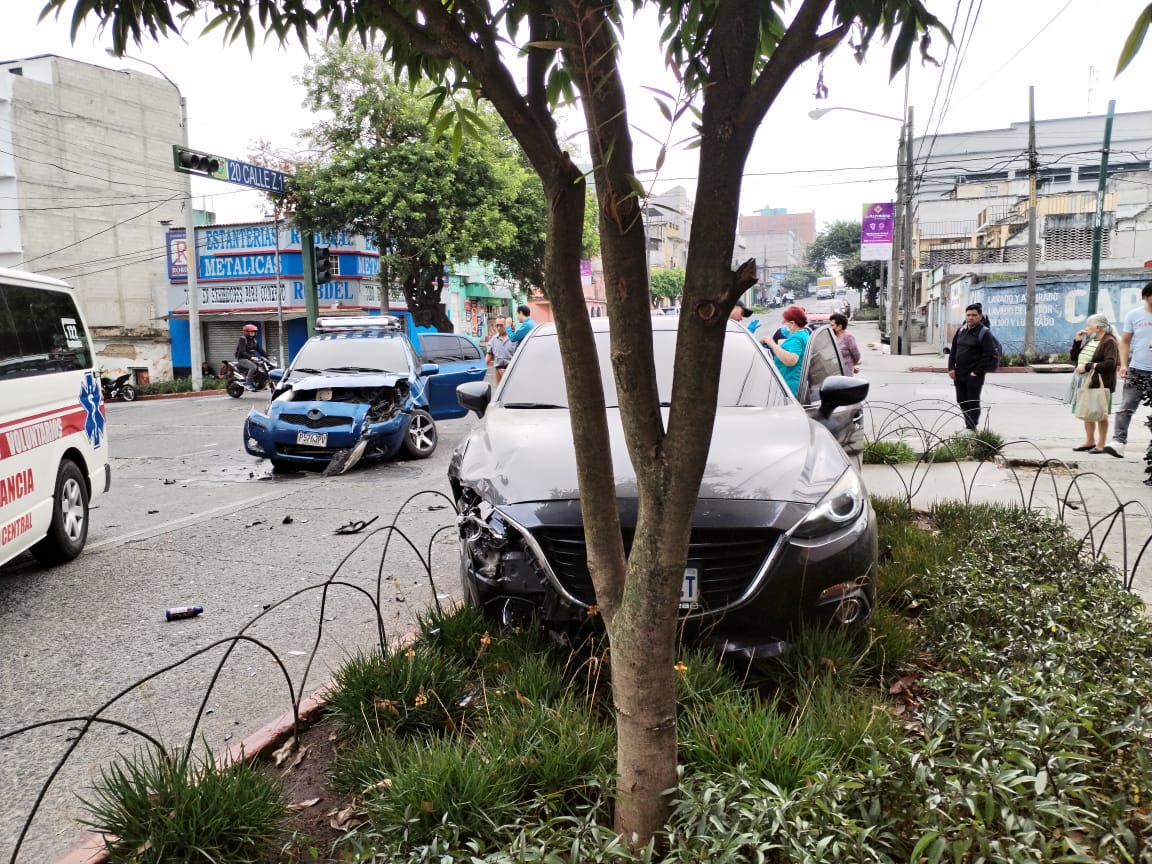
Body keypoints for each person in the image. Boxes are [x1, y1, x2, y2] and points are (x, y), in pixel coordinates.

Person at [1103, 280, 1152, 467]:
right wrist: (1123, 364)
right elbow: (1125, 341)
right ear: (1146, 297)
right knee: (1126, 407)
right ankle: (1118, 443)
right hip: (1138, 369)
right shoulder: (1134, 315)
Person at [1069, 314, 1119, 453]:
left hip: (1100, 382)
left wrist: (1087, 367)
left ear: (1097, 327)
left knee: (1100, 413)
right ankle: (1089, 441)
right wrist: (1077, 341)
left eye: (1088, 325)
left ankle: (1101, 444)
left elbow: (1110, 363)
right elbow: (1074, 357)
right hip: (1086, 381)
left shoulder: (1109, 341)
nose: (1086, 328)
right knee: (1088, 411)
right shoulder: (1091, 340)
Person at [947, 303, 997, 431]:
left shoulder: (984, 333)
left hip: (974, 375)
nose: (970, 318)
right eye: (968, 315)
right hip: (959, 374)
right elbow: (953, 350)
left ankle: (971, 427)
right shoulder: (961, 331)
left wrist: (976, 372)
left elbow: (988, 355)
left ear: (980, 316)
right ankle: (969, 425)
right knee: (961, 400)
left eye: (974, 315)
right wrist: (951, 367)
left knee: (973, 402)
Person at [760, 305, 809, 396]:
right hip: (794, 385)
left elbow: (791, 360)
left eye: (785, 321)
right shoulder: (803, 334)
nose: (783, 323)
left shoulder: (796, 338)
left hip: (790, 388)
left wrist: (772, 343)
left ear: (792, 323)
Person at [234, 323, 269, 390]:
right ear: (246, 332)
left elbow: (260, 350)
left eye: (254, 332)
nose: (253, 333)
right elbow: (242, 352)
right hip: (242, 359)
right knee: (253, 367)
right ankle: (248, 383)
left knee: (262, 366)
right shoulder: (243, 339)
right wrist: (251, 357)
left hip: (251, 359)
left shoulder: (254, 340)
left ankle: (260, 382)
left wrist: (268, 356)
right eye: (251, 332)